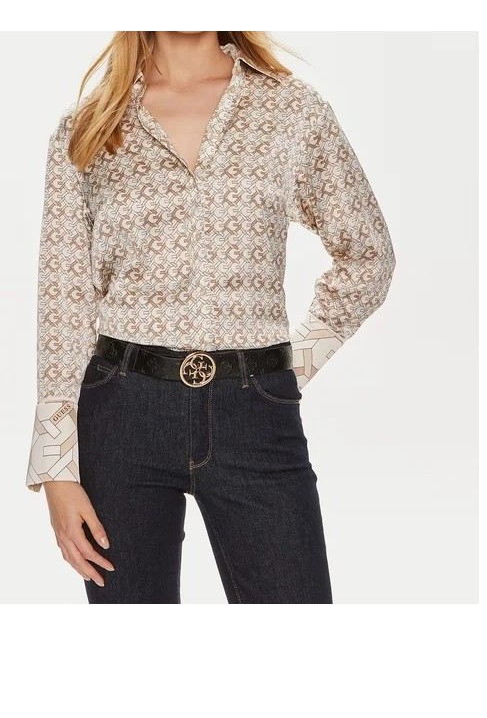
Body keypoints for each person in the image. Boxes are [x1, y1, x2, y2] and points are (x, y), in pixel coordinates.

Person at [25, 31, 396, 604]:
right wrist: (58, 469)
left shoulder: (291, 109)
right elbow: (64, 301)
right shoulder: (90, 126)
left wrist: (289, 367)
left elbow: (369, 254)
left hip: (255, 416)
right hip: (121, 417)